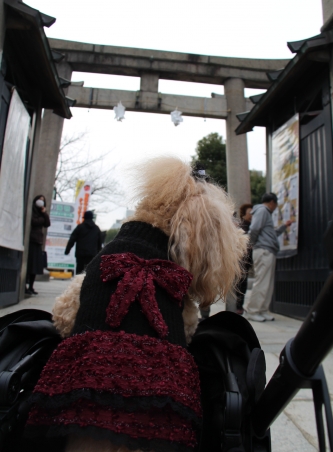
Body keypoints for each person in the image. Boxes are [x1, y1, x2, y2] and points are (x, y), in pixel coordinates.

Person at [25, 157, 248, 452]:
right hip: (164, 425)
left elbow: (65, 315)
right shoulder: (173, 280)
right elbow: (187, 329)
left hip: (81, 417)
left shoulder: (102, 263)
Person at [245, 193, 291, 322]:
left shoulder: (264, 213)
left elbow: (272, 233)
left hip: (267, 249)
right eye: (276, 205)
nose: (275, 208)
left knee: (267, 283)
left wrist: (284, 226)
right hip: (263, 250)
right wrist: (251, 244)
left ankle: (262, 310)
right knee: (262, 282)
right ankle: (253, 311)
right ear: (272, 203)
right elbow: (253, 229)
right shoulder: (262, 211)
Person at [26, 195, 50, 295]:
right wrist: (42, 218)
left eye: (43, 200)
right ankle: (25, 285)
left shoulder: (42, 213)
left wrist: (44, 213)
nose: (41, 202)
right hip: (31, 240)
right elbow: (34, 222)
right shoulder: (32, 210)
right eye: (39, 199)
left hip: (38, 241)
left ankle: (31, 286)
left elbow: (47, 223)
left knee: (35, 266)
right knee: (29, 265)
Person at [236, 203, 253, 315]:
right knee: (240, 284)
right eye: (250, 213)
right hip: (241, 259)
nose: (252, 215)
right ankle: (238, 307)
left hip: (247, 260)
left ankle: (240, 306)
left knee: (243, 284)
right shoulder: (241, 226)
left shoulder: (252, 225)